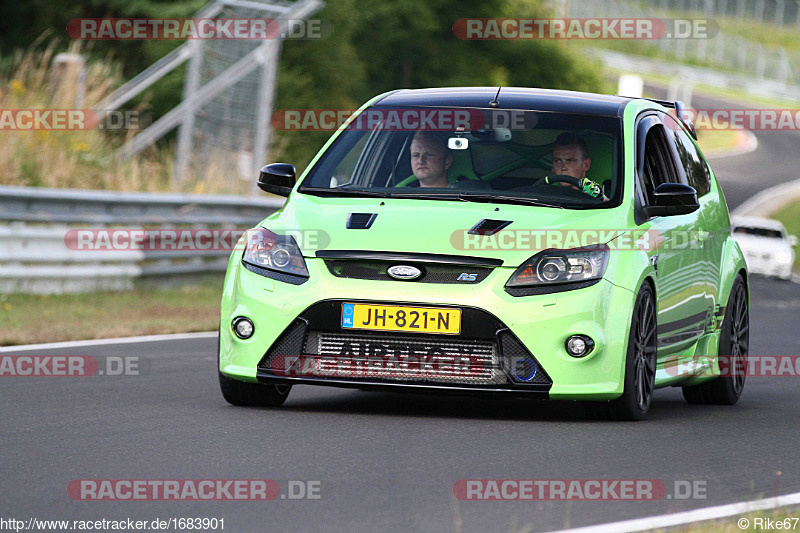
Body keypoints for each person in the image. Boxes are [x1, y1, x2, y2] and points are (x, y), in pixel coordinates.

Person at [547, 133, 605, 200]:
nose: (563, 168)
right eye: (558, 161)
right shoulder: (546, 193)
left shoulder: (594, 193)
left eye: (570, 161)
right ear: (553, 167)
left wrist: (602, 199)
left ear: (586, 165)